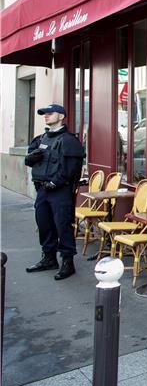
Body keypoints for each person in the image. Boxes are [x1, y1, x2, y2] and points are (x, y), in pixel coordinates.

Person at [24, 103, 86, 280]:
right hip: (42, 190)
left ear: (61, 116)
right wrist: (30, 158)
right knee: (44, 224)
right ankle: (49, 258)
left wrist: (56, 182)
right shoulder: (41, 138)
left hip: (60, 191)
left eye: (50, 113)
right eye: (44, 114)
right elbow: (30, 159)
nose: (46, 116)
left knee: (62, 225)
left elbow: (72, 168)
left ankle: (68, 262)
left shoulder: (69, 140)